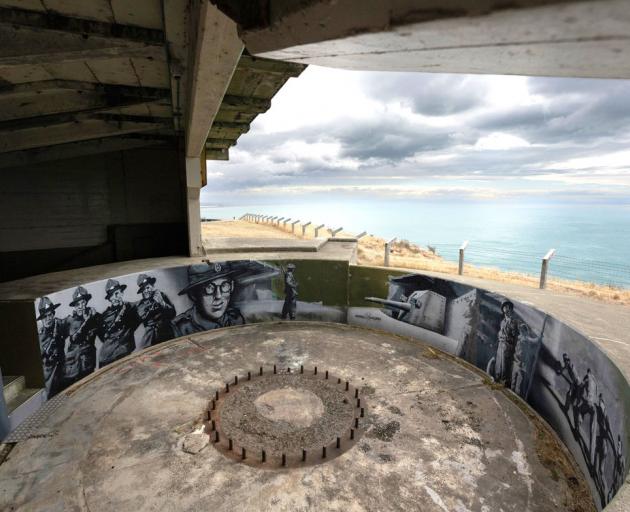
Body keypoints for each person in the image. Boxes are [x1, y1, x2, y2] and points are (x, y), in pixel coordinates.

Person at [172, 262, 245, 336]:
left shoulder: (235, 318)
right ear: (193, 294)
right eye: (209, 288)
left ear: (231, 287)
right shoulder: (180, 328)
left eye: (224, 285)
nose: (218, 296)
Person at [96, 279, 140, 367]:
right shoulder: (104, 316)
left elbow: (135, 323)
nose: (115, 297)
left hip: (124, 353)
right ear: (109, 299)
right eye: (112, 295)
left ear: (122, 293)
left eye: (117, 293)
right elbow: (102, 337)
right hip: (106, 357)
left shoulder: (131, 307)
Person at [64, 286, 99, 384]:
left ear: (86, 303)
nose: (80, 306)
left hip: (87, 364)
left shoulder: (94, 318)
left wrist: (93, 317)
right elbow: (74, 339)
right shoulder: (69, 321)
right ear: (74, 306)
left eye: (83, 302)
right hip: (70, 366)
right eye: (77, 304)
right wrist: (87, 321)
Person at [36, 296, 68, 398]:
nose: (48, 319)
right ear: (41, 319)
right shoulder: (40, 337)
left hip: (63, 373)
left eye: (50, 315)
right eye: (45, 316)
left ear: (53, 314)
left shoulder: (60, 325)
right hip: (49, 378)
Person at [135, 273, 176, 347]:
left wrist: (162, 302)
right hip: (152, 337)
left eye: (147, 287)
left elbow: (173, 313)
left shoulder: (161, 295)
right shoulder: (141, 305)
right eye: (143, 289)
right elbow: (142, 318)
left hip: (167, 331)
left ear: (152, 286)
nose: (146, 291)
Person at [495, 300, 519, 386]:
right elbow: (500, 332)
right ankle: (497, 378)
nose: (507, 308)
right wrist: (500, 336)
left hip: (508, 345)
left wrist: (511, 344)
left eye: (508, 307)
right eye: (505, 306)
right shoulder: (503, 321)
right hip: (501, 344)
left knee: (505, 364)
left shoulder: (514, 322)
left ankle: (504, 381)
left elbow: (515, 336)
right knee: (499, 362)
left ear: (511, 309)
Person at [510, 322, 538, 397]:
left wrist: (540, 337)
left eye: (522, 330)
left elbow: (534, 340)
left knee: (519, 385)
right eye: (520, 330)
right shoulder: (520, 338)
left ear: (525, 331)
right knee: (513, 381)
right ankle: (511, 394)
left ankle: (515, 397)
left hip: (521, 366)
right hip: (516, 363)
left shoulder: (526, 339)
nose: (521, 331)